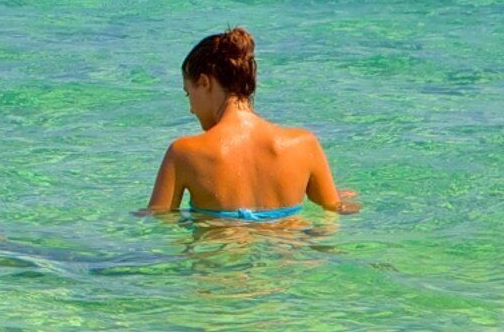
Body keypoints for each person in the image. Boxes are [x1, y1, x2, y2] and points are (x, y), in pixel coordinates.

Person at [146, 29, 356, 222]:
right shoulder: (304, 145)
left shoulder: (184, 153)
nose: (191, 109)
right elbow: (338, 208)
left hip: (219, 250)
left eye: (188, 94)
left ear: (204, 82)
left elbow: (156, 220)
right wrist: (341, 197)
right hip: (288, 248)